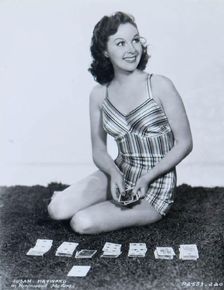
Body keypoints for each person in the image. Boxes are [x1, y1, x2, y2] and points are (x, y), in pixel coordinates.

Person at [47, 11, 193, 234]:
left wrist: (146, 178)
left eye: (135, 40)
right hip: (120, 172)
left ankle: (96, 206)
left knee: (81, 222)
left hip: (155, 187)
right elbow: (99, 151)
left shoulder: (161, 86)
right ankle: (74, 198)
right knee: (56, 209)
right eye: (121, 43)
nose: (132, 49)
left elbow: (184, 143)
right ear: (105, 51)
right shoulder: (99, 94)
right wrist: (115, 174)